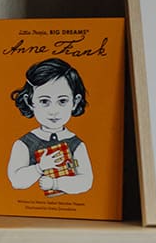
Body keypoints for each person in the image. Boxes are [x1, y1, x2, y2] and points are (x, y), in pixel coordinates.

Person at [6, 57, 93, 197]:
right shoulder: (23, 144)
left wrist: (55, 184)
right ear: (30, 102)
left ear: (75, 102)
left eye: (62, 101)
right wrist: (39, 167)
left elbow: (86, 181)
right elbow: (16, 181)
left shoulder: (77, 145)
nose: (53, 110)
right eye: (44, 101)